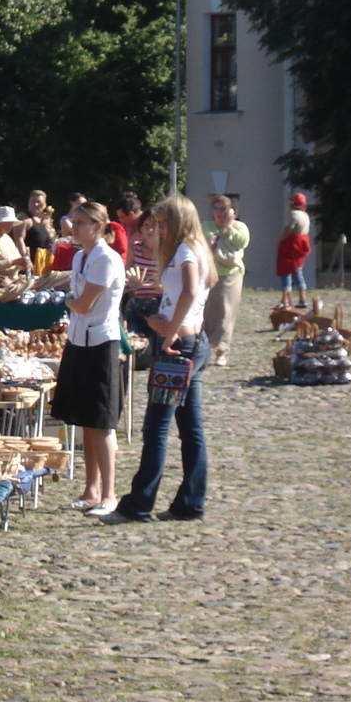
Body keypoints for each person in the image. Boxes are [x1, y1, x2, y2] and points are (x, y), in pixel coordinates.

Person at [101, 195, 217, 524]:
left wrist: (168, 333)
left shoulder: (184, 250)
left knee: (156, 426)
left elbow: (191, 291)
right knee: (189, 427)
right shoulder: (196, 248)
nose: (161, 228)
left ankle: (138, 504)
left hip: (177, 345)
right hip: (193, 340)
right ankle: (190, 502)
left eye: (165, 223)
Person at [48, 201, 125, 515]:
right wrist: (71, 302)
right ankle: (91, 489)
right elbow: (77, 302)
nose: (74, 227)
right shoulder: (81, 257)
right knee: (84, 420)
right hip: (79, 342)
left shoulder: (106, 259)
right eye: (73, 222)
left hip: (101, 343)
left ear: (97, 226)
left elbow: (85, 305)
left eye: (81, 222)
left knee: (101, 422)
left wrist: (66, 299)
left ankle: (109, 494)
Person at [202, 194, 250, 367]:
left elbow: (242, 243)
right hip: (209, 274)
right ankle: (205, 348)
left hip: (230, 274)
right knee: (207, 312)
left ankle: (222, 350)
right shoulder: (206, 227)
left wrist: (229, 228)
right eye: (216, 209)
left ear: (232, 211)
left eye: (223, 209)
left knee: (225, 313)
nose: (219, 213)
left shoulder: (240, 227)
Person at [124, 208, 163, 338]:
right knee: (136, 340)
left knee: (157, 343)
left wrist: (162, 286)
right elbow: (126, 274)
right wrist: (131, 283)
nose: (150, 230)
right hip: (138, 302)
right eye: (146, 225)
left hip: (160, 302)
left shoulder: (167, 251)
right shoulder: (135, 249)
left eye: (154, 225)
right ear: (141, 228)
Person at [276, 192, 312, 308]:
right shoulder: (306, 215)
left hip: (291, 246)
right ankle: (303, 299)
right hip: (301, 246)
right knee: (298, 271)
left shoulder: (294, 214)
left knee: (286, 270)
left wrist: (280, 240)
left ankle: (285, 300)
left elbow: (289, 230)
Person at [19, 190, 56, 272]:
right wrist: (26, 260)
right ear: (28, 203)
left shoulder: (45, 219)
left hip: (44, 262)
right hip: (31, 264)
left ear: (45, 204)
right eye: (33, 201)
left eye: (39, 202)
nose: (36, 204)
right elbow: (19, 240)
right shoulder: (24, 219)